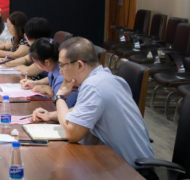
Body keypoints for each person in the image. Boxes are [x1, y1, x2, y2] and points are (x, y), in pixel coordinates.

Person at [31, 37, 154, 166]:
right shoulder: (105, 76)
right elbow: (81, 111)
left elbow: (72, 133)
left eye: (62, 65)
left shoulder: (93, 86)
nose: (60, 71)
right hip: (119, 160)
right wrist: (51, 115)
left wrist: (60, 97)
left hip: (132, 170)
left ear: (79, 65)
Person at [22, 38, 77, 107]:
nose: (36, 65)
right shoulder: (54, 69)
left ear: (47, 62)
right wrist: (36, 83)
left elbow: (63, 105)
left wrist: (47, 89)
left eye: (36, 62)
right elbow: (50, 78)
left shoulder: (62, 77)